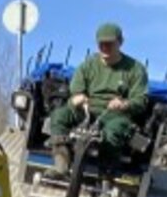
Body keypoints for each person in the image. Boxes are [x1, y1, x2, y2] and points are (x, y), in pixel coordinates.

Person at [46, 22, 149, 176]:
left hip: (115, 115)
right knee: (59, 116)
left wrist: (124, 104)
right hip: (86, 110)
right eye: (101, 44)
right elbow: (75, 91)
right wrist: (77, 99)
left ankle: (106, 176)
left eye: (110, 44)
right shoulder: (88, 66)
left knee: (113, 132)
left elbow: (140, 100)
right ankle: (62, 161)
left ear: (120, 42)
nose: (105, 48)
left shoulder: (135, 69)